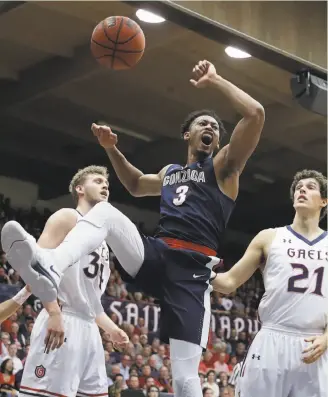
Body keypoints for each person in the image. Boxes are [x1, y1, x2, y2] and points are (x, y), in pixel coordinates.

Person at [1, 60, 265, 397]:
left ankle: (50, 265)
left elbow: (255, 114)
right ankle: (50, 265)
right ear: (188, 134)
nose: (210, 126)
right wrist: (112, 148)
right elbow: (137, 184)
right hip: (157, 254)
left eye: (214, 124)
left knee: (184, 379)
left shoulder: (225, 167)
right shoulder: (171, 172)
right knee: (106, 212)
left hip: (192, 272)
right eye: (202, 122)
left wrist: (215, 80)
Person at [4, 166, 129, 397]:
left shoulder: (101, 236)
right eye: (98, 180)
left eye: (107, 184)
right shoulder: (67, 217)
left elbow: (89, 299)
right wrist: (53, 312)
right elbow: (37, 266)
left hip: (89, 328)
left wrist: (111, 329)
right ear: (80, 189)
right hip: (62, 320)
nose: (105, 186)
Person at [211, 169, 328, 397]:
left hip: (314, 343)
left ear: (324, 201)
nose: (302, 190)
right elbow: (229, 281)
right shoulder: (269, 237)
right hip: (272, 338)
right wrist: (195, 274)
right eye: (298, 187)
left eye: (310, 187)